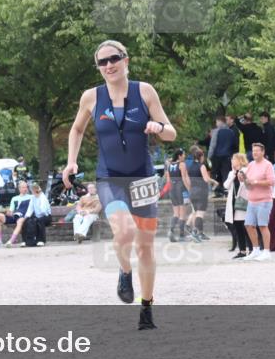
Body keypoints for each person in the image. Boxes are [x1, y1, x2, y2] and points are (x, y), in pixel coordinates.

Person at [62, 40, 176, 330]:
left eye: (114, 59)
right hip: (109, 178)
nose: (109, 65)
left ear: (126, 61)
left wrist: (158, 127)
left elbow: (171, 133)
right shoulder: (91, 97)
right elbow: (76, 129)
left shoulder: (144, 91)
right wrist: (71, 162)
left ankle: (147, 307)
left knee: (146, 248)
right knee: (124, 232)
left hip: (143, 179)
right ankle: (125, 271)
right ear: (99, 67)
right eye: (103, 62)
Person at [240, 143, 275, 261]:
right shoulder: (251, 164)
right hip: (252, 200)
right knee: (248, 225)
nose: (254, 153)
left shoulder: (268, 165)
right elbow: (248, 183)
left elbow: (271, 182)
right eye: (253, 150)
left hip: (264, 200)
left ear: (263, 152)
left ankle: (266, 251)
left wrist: (255, 182)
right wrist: (243, 179)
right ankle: (255, 250)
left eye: (257, 151)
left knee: (262, 225)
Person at [186, 145, 216, 241]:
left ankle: (198, 233)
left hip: (192, 192)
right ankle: (195, 232)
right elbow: (206, 179)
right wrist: (214, 182)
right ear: (201, 157)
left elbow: (188, 181)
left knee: (195, 213)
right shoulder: (201, 166)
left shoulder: (189, 166)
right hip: (201, 191)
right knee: (200, 214)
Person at [164, 149, 193, 242]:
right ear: (179, 156)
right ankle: (181, 236)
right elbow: (184, 179)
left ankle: (171, 231)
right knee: (183, 214)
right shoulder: (182, 164)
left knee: (176, 213)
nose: (184, 156)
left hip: (172, 189)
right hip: (181, 189)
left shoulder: (169, 165)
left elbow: (168, 180)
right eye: (183, 154)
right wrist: (190, 190)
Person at [224, 153, 250, 258]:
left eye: (234, 159)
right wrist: (233, 175)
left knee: (246, 227)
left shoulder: (246, 170)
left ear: (240, 160)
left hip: (244, 201)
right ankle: (242, 250)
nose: (232, 161)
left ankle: (252, 248)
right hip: (233, 203)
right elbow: (225, 185)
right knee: (238, 227)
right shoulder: (231, 173)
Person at [0, 180, 31, 247]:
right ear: (19, 189)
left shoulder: (31, 197)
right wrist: (9, 212)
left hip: (23, 216)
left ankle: (11, 241)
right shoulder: (14, 198)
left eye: (26, 187)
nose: (25, 189)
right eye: (23, 187)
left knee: (20, 221)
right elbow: (11, 210)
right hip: (14, 216)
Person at [208, 117, 236, 197]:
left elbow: (212, 145)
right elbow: (234, 144)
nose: (216, 124)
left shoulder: (216, 131)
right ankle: (226, 191)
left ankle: (214, 190)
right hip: (227, 155)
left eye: (217, 122)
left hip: (217, 155)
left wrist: (209, 156)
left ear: (220, 122)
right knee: (225, 173)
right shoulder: (231, 132)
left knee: (214, 173)